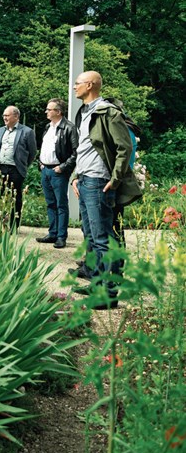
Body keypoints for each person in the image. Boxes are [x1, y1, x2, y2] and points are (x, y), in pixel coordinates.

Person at [70, 71, 143, 309]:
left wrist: (115, 178)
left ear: (90, 85)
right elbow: (84, 149)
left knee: (103, 240)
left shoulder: (108, 112)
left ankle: (108, 295)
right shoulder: (84, 112)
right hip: (84, 180)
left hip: (99, 181)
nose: (74, 87)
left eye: (78, 83)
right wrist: (76, 176)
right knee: (92, 238)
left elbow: (125, 146)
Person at [36, 98, 78, 249]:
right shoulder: (48, 127)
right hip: (45, 169)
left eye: (49, 109)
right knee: (50, 203)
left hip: (58, 171)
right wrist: (40, 163)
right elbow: (44, 147)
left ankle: (61, 236)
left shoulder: (69, 128)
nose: (46, 111)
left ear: (58, 112)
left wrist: (63, 167)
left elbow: (76, 152)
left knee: (61, 204)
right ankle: (52, 233)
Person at [103, 97, 141, 247]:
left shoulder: (123, 128)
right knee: (114, 222)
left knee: (113, 223)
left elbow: (123, 155)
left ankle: (116, 257)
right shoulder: (127, 127)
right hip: (118, 178)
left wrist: (114, 178)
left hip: (116, 179)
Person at [0, 105, 37, 229]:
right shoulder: (1, 130)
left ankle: (13, 226)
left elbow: (32, 152)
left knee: (15, 198)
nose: (4, 118)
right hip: (0, 168)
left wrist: (23, 165)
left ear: (16, 116)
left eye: (7, 115)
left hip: (15, 169)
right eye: (4, 115)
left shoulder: (27, 131)